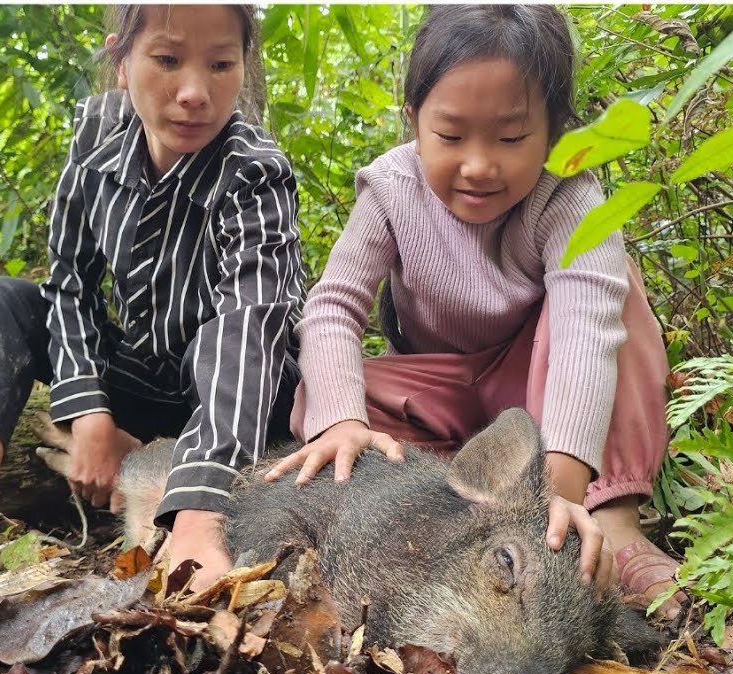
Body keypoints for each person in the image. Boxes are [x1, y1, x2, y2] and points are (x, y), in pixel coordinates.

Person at [0, 4, 304, 608]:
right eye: (167, 60)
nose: (195, 92)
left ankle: (188, 510)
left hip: (236, 397)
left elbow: (251, 331)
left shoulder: (254, 172)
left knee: (224, 338)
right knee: (1, 300)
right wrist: (89, 415)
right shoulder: (97, 134)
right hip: (138, 374)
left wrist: (198, 516)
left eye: (221, 65)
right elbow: (71, 282)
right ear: (120, 61)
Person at [265, 4, 685, 618]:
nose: (480, 165)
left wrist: (559, 492)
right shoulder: (391, 187)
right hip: (444, 387)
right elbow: (333, 307)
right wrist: (341, 424)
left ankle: (611, 516)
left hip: (537, 377)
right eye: (451, 136)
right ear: (413, 122)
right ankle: (456, 500)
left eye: (512, 138)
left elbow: (582, 336)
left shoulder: (571, 195)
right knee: (327, 395)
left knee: (614, 294)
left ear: (553, 129)